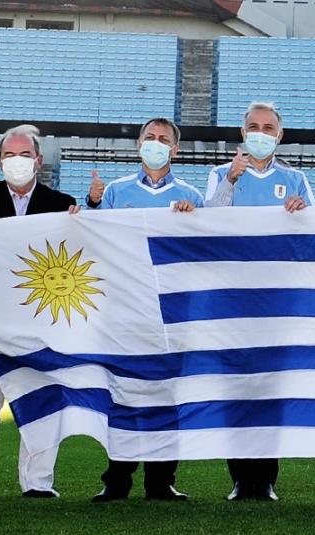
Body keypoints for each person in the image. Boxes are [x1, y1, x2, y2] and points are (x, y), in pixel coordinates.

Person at [204, 101, 315, 501]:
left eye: (268, 127)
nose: (260, 133)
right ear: (242, 133)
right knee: (236, 390)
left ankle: (266, 478)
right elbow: (207, 228)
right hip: (232, 302)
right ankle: (239, 478)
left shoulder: (296, 178)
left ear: (279, 135)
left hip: (277, 304)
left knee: (271, 392)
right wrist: (230, 183)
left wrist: (302, 213)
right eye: (253, 126)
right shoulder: (221, 173)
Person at [84, 117, 199, 502]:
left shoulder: (190, 196)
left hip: (171, 311)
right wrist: (92, 205)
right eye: (149, 137)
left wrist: (191, 222)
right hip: (125, 310)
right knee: (124, 395)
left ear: (175, 150)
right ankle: (116, 480)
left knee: (167, 396)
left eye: (163, 139)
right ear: (138, 144)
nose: (156, 143)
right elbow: (93, 243)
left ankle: (161, 480)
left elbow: (201, 253)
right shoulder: (114, 191)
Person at [0, 124, 77, 499]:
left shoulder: (62, 205)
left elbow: (76, 262)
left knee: (43, 399)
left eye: (24, 155)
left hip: (42, 323)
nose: (17, 161)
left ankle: (38, 481)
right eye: (9, 155)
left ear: (38, 160)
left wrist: (83, 221)